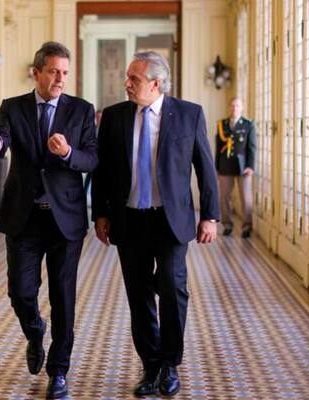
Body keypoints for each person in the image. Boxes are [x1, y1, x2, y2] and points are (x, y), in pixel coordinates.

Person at [91, 51, 220, 397]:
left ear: (156, 83)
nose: (126, 84)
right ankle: (150, 366)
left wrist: (210, 215)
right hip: (129, 219)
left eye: (134, 79)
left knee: (173, 290)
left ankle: (170, 364)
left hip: (171, 220)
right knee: (139, 294)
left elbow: (205, 167)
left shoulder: (188, 115)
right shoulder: (116, 117)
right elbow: (103, 170)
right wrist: (100, 214)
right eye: (128, 77)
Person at [0, 41, 97, 399]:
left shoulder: (81, 110)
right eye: (54, 72)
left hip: (66, 220)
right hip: (24, 217)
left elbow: (92, 159)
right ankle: (34, 330)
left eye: (64, 73)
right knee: (20, 291)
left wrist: (70, 153)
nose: (60, 79)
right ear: (37, 73)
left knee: (63, 297)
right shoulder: (13, 107)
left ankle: (58, 372)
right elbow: (3, 140)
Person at [215, 97, 257, 238]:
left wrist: (250, 166)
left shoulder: (248, 124)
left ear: (242, 107)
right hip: (225, 165)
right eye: (232, 105)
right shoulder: (222, 124)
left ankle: (247, 226)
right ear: (229, 107)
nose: (234, 108)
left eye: (237, 106)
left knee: (246, 197)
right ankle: (227, 225)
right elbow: (218, 147)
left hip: (243, 166)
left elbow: (252, 147)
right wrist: (216, 167)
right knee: (224, 197)